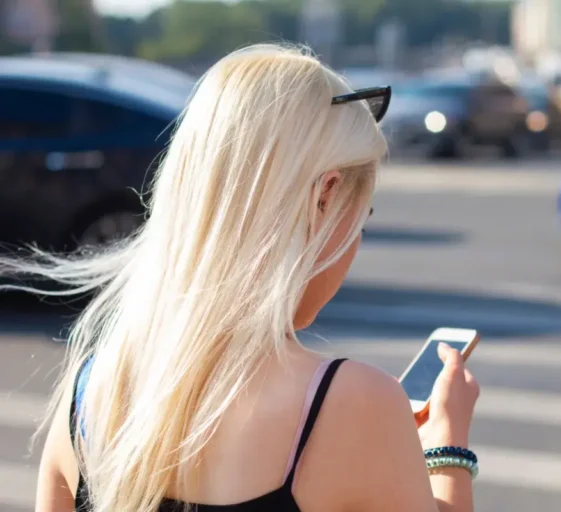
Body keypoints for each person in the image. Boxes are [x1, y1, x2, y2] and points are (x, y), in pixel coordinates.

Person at [17, 44, 480, 512]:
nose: (356, 242)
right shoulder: (353, 403)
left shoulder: (92, 385)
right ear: (325, 196)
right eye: (361, 217)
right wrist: (447, 448)